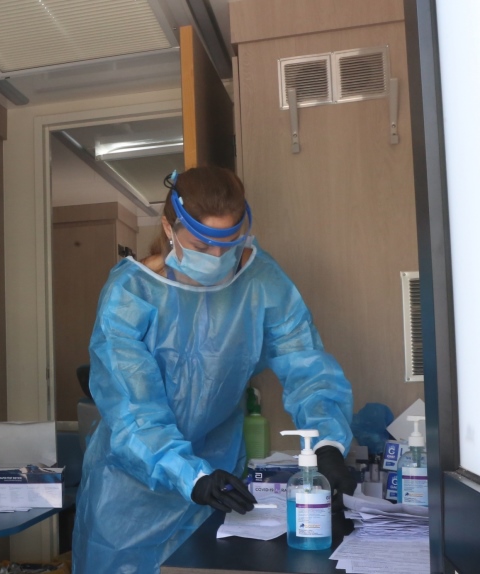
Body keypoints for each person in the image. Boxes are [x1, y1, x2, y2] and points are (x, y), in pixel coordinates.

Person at [72, 167, 355, 573]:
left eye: (230, 245)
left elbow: (306, 364)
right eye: (202, 246)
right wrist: (191, 477)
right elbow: (134, 413)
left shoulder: (260, 280)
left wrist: (327, 442)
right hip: (130, 494)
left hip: (220, 478)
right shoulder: (131, 294)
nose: (218, 259)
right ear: (169, 228)